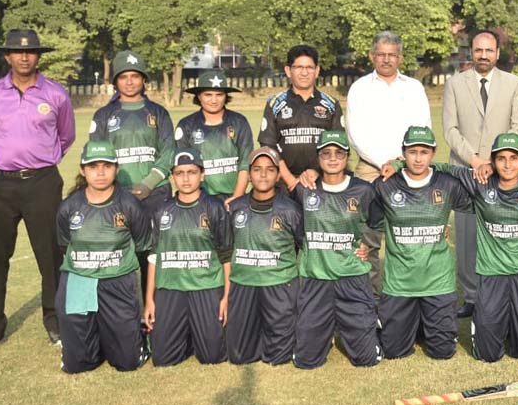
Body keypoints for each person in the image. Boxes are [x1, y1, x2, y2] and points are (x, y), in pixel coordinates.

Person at [382, 132, 518, 362]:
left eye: (514, 158)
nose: (508, 164)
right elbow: (439, 168)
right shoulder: (480, 182)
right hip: (491, 275)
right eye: (501, 158)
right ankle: (500, 324)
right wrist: (399, 163)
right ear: (492, 162)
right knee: (487, 355)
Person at [0, 28, 75, 351]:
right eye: (17, 52)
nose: (24, 57)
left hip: (42, 183)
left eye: (30, 52)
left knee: (50, 255)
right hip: (1, 184)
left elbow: (66, 137)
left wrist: (40, 161)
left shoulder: (56, 94)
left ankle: (56, 323)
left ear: (38, 56)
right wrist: (11, 160)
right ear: (7, 56)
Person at [365, 126, 472, 360]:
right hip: (400, 284)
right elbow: (366, 219)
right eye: (412, 152)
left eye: (424, 152)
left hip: (438, 282)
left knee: (442, 352)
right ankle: (414, 321)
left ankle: (428, 322)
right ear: (403, 153)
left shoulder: (447, 184)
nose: (418, 158)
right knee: (394, 351)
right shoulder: (385, 185)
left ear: (433, 154)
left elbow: (481, 200)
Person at [441, 29, 518, 319]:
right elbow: (450, 130)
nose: (483, 55)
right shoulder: (454, 84)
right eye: (478, 50)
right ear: (471, 52)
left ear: (497, 53)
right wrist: (476, 160)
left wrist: (494, 161)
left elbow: (517, 128)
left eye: (489, 50)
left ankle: (502, 292)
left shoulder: (513, 83)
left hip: (502, 170)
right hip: (465, 170)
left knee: (500, 233)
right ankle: (473, 296)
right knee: (466, 236)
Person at [55, 141, 153, 373]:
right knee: (78, 364)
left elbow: (143, 246)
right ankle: (84, 341)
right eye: (93, 166)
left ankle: (135, 336)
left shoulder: (130, 205)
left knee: (127, 363)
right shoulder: (68, 207)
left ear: (116, 169)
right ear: (83, 170)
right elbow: (63, 245)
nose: (100, 172)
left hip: (117, 280)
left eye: (106, 166)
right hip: (79, 278)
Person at [90, 50, 174, 298]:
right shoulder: (104, 115)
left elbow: (169, 151)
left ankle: (155, 313)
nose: (129, 82)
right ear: (115, 81)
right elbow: (97, 156)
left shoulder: (158, 113)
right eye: (123, 76)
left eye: (135, 76)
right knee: (118, 255)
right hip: (116, 195)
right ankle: (123, 314)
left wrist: (148, 183)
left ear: (144, 79)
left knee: (154, 255)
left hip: (155, 194)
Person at [293, 131, 380, 368]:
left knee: (367, 360)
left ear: (347, 156)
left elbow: (377, 222)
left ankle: (365, 324)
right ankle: (323, 330)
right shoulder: (304, 189)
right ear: (318, 158)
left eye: (339, 153)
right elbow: (293, 225)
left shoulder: (363, 190)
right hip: (315, 279)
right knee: (306, 361)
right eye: (326, 153)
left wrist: (366, 245)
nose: (332, 159)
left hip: (351, 277)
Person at [143, 148, 232, 366]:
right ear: (172, 176)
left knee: (212, 357)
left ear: (202, 175)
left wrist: (226, 298)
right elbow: (155, 256)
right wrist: (149, 300)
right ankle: (186, 329)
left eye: (191, 172)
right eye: (180, 172)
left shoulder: (214, 208)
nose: (185, 178)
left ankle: (198, 329)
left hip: (206, 285)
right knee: (163, 359)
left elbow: (226, 257)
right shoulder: (162, 211)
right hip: (171, 287)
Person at [227, 147, 305, 365]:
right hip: (244, 282)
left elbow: (303, 245)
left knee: (278, 357)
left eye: (270, 170)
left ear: (278, 175)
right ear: (249, 174)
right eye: (257, 169)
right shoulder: (234, 208)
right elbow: (226, 249)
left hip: (279, 283)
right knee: (239, 356)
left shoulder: (290, 210)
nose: (263, 175)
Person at [347, 31, 431, 182]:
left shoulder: (414, 88)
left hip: (410, 166)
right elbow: (355, 135)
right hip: (370, 169)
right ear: (372, 56)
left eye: (391, 55)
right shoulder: (359, 88)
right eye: (381, 54)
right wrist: (383, 162)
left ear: (400, 58)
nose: (386, 60)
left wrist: (401, 163)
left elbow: (424, 129)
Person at [258, 45, 344, 190]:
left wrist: (317, 171)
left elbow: (339, 146)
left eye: (309, 67)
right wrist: (290, 180)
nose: (304, 72)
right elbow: (268, 146)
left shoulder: (331, 104)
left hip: (322, 181)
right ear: (288, 71)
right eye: (298, 67)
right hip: (285, 184)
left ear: (317, 71)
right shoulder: (274, 104)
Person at [175, 70, 253, 208]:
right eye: (208, 95)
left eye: (219, 95)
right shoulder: (186, 125)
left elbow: (245, 163)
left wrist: (238, 196)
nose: (214, 100)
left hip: (233, 197)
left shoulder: (239, 122)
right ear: (199, 96)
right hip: (200, 199)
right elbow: (183, 168)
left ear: (226, 96)